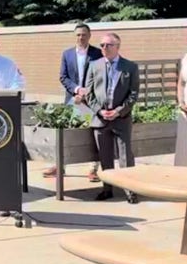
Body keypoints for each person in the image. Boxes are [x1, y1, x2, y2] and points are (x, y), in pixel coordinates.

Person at [43, 23, 103, 181]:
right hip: (72, 100)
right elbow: (63, 77)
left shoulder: (98, 54)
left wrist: (86, 93)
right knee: (66, 133)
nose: (81, 37)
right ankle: (60, 166)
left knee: (92, 133)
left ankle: (93, 169)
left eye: (84, 34)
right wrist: (77, 90)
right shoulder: (67, 54)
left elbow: (100, 77)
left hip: (91, 101)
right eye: (78, 35)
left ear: (89, 36)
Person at [85, 32, 139, 203]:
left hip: (121, 119)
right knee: (105, 157)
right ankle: (107, 189)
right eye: (102, 45)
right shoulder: (94, 65)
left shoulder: (130, 67)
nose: (104, 48)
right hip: (101, 119)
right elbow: (89, 93)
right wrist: (99, 111)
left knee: (125, 156)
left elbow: (133, 94)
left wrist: (119, 111)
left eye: (108, 45)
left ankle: (130, 191)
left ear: (117, 46)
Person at [176, 24, 187, 166]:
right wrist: (181, 102)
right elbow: (181, 83)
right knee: (185, 149)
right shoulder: (186, 57)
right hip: (186, 110)